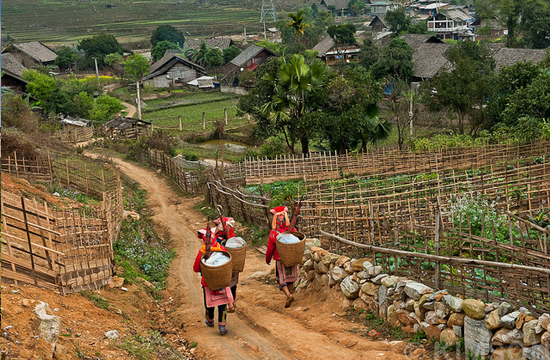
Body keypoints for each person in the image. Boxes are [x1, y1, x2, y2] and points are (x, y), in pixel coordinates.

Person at [193, 227, 233, 336]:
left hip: (208, 283)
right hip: (221, 281)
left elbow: (196, 268)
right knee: (222, 304)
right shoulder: (221, 250)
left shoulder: (202, 252)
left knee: (209, 303)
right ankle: (222, 326)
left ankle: (210, 320)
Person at [265, 205, 297, 308]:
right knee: (290, 278)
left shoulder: (274, 233)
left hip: (280, 258)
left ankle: (288, 295)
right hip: (291, 257)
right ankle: (290, 296)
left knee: (281, 279)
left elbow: (270, 247)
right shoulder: (291, 229)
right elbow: (297, 238)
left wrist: (268, 259)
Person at [214, 217, 238, 313]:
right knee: (232, 284)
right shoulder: (234, 240)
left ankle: (230, 304)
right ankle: (232, 302)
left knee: (225, 285)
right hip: (232, 265)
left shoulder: (217, 239)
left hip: (223, 266)